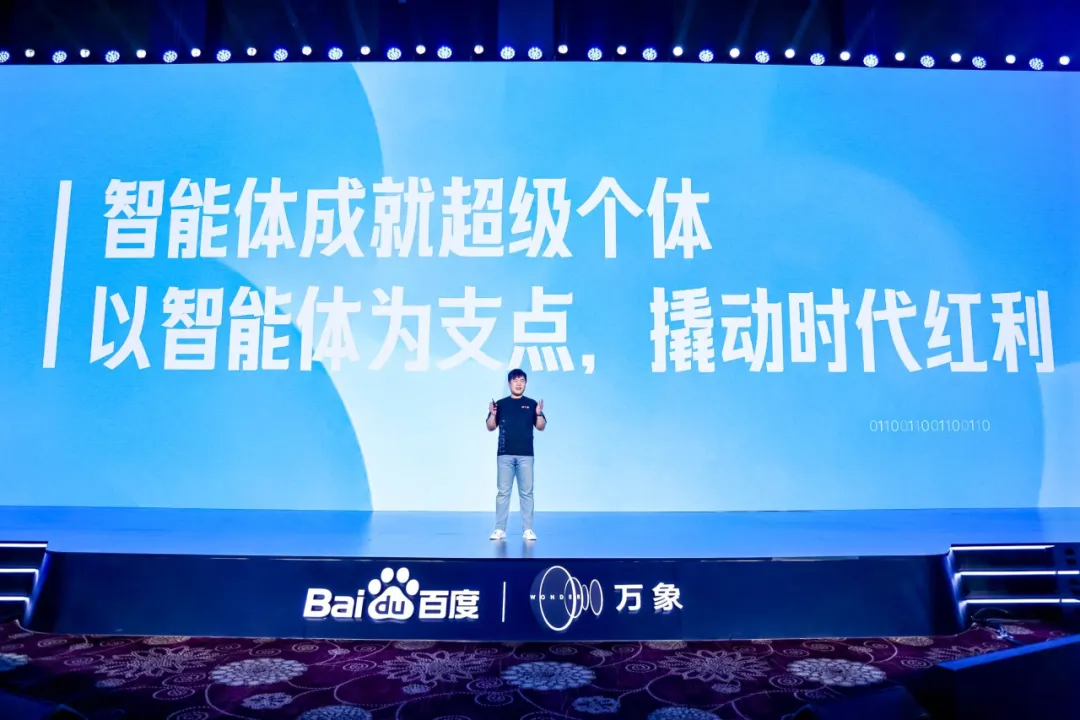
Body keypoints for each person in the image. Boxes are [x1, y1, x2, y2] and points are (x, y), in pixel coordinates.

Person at [486, 368, 546, 541]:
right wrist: (493, 414)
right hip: (504, 454)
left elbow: (541, 426)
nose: (519, 383)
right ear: (509, 383)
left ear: (525, 384)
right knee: (503, 492)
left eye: (522, 380)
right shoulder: (501, 404)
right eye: (515, 380)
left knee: (527, 493)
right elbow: (490, 427)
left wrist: (538, 414)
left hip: (526, 455)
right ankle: (499, 529)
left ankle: (528, 529)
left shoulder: (532, 404)